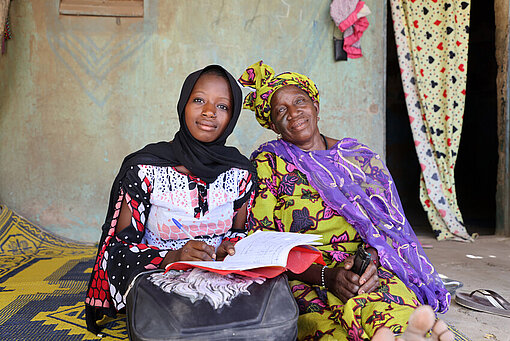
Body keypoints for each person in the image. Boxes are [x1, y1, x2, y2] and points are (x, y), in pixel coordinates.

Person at [239, 61, 451, 340]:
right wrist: (327, 277)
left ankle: (408, 333)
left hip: (359, 267)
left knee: (390, 303)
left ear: (315, 105)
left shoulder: (359, 158)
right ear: (274, 124)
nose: (293, 113)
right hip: (305, 274)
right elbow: (260, 242)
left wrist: (370, 263)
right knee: (328, 327)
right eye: (281, 110)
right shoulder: (269, 163)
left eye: (300, 101)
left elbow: (385, 228)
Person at [85, 65, 257, 334]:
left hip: (224, 280)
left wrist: (228, 251)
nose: (209, 111)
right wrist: (172, 258)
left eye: (222, 106)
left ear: (232, 116)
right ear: (184, 104)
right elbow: (118, 252)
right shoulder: (145, 170)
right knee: (178, 324)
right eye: (199, 100)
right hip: (160, 277)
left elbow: (239, 234)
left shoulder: (241, 173)